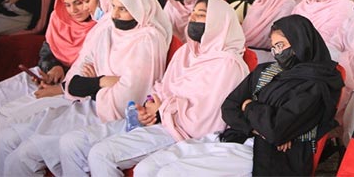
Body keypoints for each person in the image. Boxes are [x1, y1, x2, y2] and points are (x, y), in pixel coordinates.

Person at [58, 0, 249, 176]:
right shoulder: (187, 51)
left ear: (219, 22)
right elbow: (162, 87)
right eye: (193, 13)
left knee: (101, 154)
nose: (193, 18)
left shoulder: (228, 64)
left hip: (177, 131)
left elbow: (205, 121)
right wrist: (149, 105)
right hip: (159, 118)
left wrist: (162, 109)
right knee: (72, 143)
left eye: (201, 15)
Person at [0, 0, 171, 176]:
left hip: (108, 116)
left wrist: (89, 86)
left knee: (26, 153)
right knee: (9, 139)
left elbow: (126, 97)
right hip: (87, 105)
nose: (115, 14)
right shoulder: (109, 31)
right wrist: (101, 82)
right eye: (114, 7)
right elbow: (77, 78)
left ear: (139, 10)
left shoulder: (147, 39)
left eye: (123, 9)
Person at [134, 15, 342, 176]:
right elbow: (229, 107)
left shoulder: (317, 82)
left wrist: (249, 106)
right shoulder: (265, 70)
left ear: (301, 43)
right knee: (148, 167)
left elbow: (277, 129)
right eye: (273, 47)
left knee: (170, 173)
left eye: (282, 46)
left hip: (270, 153)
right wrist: (256, 125)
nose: (277, 53)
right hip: (238, 136)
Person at [0, 0, 117, 175]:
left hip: (75, 89)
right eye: (68, 4)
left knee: (14, 126)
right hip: (56, 75)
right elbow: (48, 49)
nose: (75, 10)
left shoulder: (103, 27)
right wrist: (52, 66)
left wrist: (68, 81)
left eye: (82, 2)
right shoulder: (61, 17)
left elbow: (98, 74)